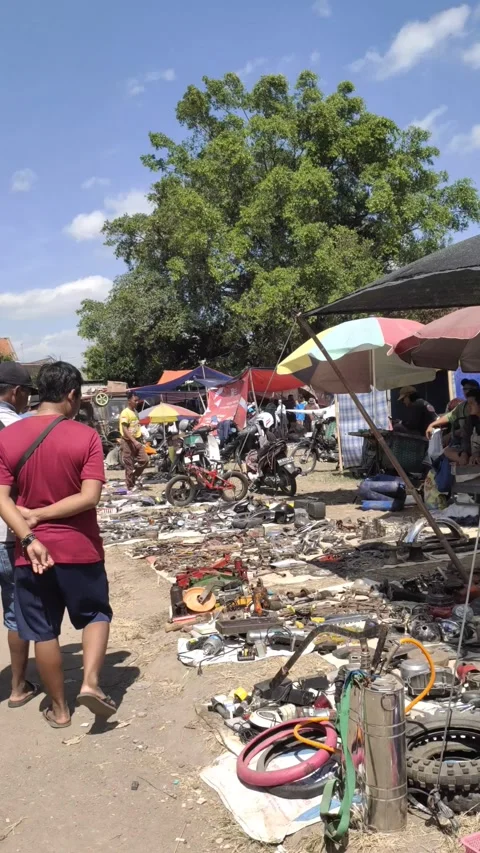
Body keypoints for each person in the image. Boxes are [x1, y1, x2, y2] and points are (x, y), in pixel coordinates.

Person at [0, 361, 114, 728]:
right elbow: (89, 497)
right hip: (80, 547)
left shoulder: (7, 438)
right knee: (95, 614)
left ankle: (60, 710)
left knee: (44, 630)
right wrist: (44, 515)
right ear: (71, 395)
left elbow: (2, 498)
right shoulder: (86, 437)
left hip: (29, 554)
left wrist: (29, 529)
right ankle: (91, 683)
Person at [0, 362, 38, 708]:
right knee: (16, 613)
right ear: (16, 393)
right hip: (9, 534)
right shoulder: (21, 427)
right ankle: (16, 688)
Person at [119, 391, 148, 491]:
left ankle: (134, 476)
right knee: (129, 465)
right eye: (135, 400)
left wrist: (140, 438)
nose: (137, 402)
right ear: (129, 401)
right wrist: (134, 441)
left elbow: (136, 426)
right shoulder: (125, 413)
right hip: (127, 442)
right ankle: (130, 486)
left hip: (137, 440)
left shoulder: (135, 412)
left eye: (137, 400)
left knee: (145, 460)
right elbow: (124, 429)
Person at [454, 388, 480, 466]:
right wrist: (464, 453)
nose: (468, 407)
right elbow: (466, 437)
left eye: (471, 403)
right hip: (473, 453)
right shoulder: (471, 419)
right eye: (468, 404)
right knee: (447, 451)